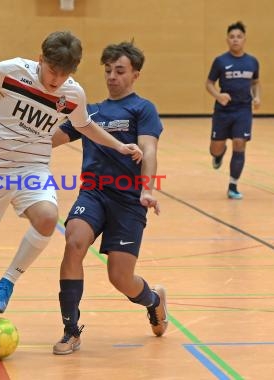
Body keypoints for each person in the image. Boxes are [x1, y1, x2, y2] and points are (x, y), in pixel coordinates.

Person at [0, 31, 143, 343]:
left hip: (31, 169)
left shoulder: (73, 94)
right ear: (40, 59)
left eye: (65, 73)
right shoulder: (14, 71)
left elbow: (85, 126)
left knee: (47, 217)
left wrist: (119, 146)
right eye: (52, 70)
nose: (57, 79)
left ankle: (8, 281)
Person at [50, 41, 167, 355]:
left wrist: (147, 188)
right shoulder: (90, 112)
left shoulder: (143, 109)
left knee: (120, 277)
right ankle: (70, 330)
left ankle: (153, 300)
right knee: (73, 240)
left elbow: (150, 149)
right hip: (94, 193)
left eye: (120, 71)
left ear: (135, 74)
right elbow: (52, 139)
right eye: (108, 70)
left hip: (129, 200)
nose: (112, 76)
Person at [206, 21, 261, 200]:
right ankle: (218, 155)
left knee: (240, 143)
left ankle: (233, 185)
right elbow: (209, 84)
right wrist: (218, 96)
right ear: (227, 40)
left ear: (244, 39)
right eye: (232, 37)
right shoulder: (221, 61)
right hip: (223, 111)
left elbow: (255, 82)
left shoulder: (252, 61)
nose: (235, 40)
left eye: (239, 37)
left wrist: (257, 96)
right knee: (215, 148)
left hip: (243, 110)